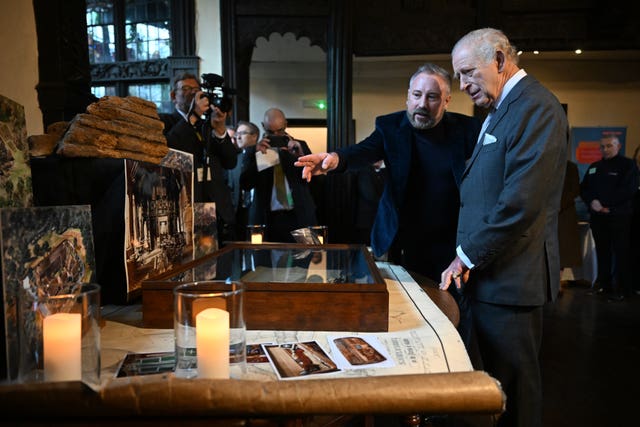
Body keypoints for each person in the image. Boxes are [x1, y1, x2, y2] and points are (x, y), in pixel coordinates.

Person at [439, 28, 569, 427]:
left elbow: (520, 204)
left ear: (498, 59)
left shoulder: (537, 107)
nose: (462, 86)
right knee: (496, 387)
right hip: (494, 276)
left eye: (467, 73)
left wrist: (464, 257)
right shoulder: (503, 107)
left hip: (513, 277)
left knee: (516, 388)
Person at [295, 63, 480, 282]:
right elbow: (363, 151)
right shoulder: (390, 126)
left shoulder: (469, 129)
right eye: (417, 95)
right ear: (408, 96)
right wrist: (335, 159)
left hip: (450, 240)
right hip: (401, 238)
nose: (422, 104)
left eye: (432, 97)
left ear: (446, 101)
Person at [159, 72, 238, 244]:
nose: (192, 93)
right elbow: (170, 153)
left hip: (217, 211)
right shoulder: (165, 122)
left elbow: (231, 162)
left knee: (222, 267)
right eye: (186, 89)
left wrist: (219, 128)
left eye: (196, 89)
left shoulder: (207, 125)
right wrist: (192, 116)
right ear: (173, 95)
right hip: (186, 208)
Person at [240, 108, 317, 242]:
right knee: (264, 262)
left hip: (299, 216)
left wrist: (299, 156)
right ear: (263, 126)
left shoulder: (299, 146)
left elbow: (312, 180)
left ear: (286, 125)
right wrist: (259, 158)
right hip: (266, 219)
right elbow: (245, 184)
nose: (276, 136)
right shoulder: (254, 150)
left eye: (280, 131)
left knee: (302, 258)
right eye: (271, 132)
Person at [580, 135, 638, 301]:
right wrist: (592, 202)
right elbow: (584, 188)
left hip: (619, 217)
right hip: (598, 218)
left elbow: (629, 189)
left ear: (618, 146)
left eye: (609, 146)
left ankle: (622, 289)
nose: (605, 149)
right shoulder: (594, 167)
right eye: (602, 146)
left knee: (621, 253)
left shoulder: (628, 165)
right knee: (602, 252)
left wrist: (606, 204)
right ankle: (603, 285)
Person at [226, 120, 259, 240]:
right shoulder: (235, 160)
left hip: (258, 213)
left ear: (254, 136)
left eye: (242, 133)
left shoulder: (264, 156)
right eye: (236, 134)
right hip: (238, 215)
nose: (238, 137)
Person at [354, 160, 388, 246]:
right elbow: (369, 194)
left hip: (385, 220)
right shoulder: (364, 170)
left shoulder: (388, 170)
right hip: (367, 221)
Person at [558, 160, 582, 279]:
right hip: (547, 213)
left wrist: (557, 205)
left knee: (563, 250)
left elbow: (575, 190)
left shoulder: (570, 167)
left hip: (564, 213)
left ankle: (558, 282)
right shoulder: (542, 162)